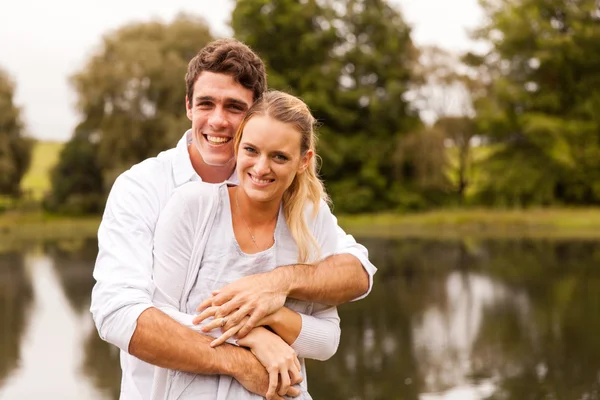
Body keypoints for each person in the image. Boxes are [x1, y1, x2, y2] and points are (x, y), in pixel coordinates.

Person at [90, 38, 376, 400]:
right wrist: (247, 345)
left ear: (255, 114)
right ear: (188, 106)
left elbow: (356, 273)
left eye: (234, 107)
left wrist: (276, 285)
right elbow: (118, 313)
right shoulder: (145, 188)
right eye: (206, 103)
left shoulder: (290, 198)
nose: (219, 120)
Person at [151, 90, 342, 399]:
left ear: (303, 161)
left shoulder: (313, 220)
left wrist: (270, 315)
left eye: (279, 156)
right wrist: (250, 335)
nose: (261, 168)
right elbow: (158, 317)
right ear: (237, 146)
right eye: (251, 150)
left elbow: (327, 341)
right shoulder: (193, 206)